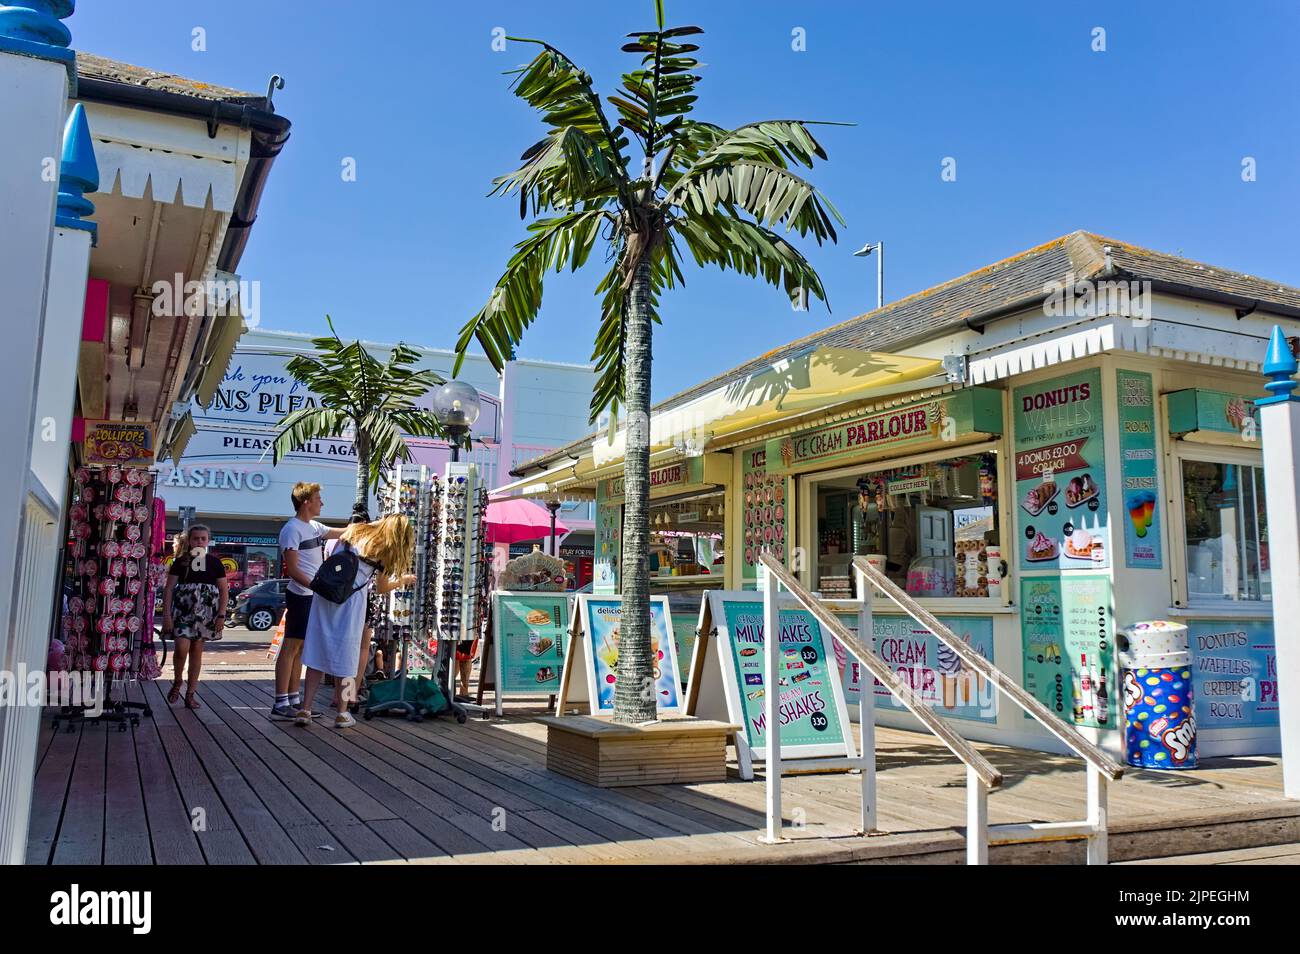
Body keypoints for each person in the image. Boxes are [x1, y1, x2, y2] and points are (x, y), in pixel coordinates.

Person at [296, 515, 416, 729]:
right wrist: (403, 580)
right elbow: (380, 587)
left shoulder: (355, 531)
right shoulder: (384, 548)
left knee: (316, 652)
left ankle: (305, 709)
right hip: (351, 602)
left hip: (326, 595)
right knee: (349, 658)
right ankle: (343, 712)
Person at [274, 482, 344, 720]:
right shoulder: (292, 529)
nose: (322, 502)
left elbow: (340, 532)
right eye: (318, 498)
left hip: (312, 595)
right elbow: (292, 569)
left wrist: (370, 527)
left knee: (301, 649)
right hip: (301, 595)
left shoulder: (313, 526)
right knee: (291, 647)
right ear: (306, 502)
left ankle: (293, 700)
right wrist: (317, 586)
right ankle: (280, 702)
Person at [161, 524, 228, 709]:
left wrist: (221, 615)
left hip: (206, 613)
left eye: (203, 539)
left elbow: (224, 590)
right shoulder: (181, 562)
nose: (199, 541)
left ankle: (190, 694)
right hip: (183, 611)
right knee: (181, 648)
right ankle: (177, 680)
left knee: (197, 652)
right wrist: (166, 615)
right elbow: (168, 589)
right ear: (189, 541)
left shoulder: (215, 563)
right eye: (196, 538)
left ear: (208, 541)